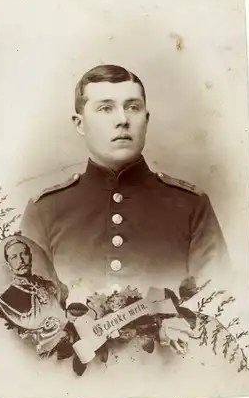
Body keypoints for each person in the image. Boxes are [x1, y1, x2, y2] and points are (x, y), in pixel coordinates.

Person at [19, 64, 230, 350]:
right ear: (79, 123)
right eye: (106, 108)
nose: (122, 120)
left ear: (146, 118)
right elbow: (30, 318)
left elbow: (220, 305)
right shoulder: (44, 210)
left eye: (132, 107)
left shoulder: (191, 205)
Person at [0, 238, 66, 329]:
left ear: (30, 256)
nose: (21, 260)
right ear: (8, 265)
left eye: (24, 254)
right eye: (14, 257)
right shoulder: (7, 299)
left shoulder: (49, 285)